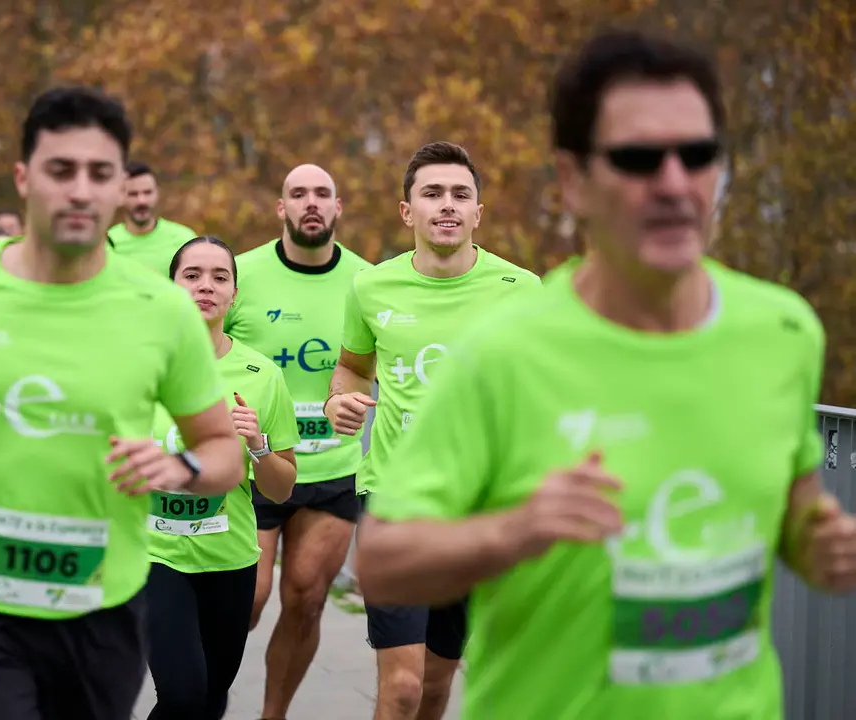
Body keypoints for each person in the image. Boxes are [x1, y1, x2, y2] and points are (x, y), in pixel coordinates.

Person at [358, 30, 856, 720]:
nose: (673, 183)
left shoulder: (782, 330)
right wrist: (516, 529)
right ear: (572, 182)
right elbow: (382, 562)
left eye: (697, 155)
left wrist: (822, 546)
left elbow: (798, 513)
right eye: (636, 159)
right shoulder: (505, 352)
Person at [0, 86, 246, 720]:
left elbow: (222, 452)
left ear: (122, 187)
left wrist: (180, 468)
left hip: (98, 608)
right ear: (23, 178)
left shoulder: (163, 312)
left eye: (100, 173)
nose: (79, 190)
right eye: (60, 170)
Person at [326, 141, 541, 720]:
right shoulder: (372, 288)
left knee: (439, 684)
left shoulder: (521, 292)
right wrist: (340, 402)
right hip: (395, 501)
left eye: (460, 194)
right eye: (432, 194)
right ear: (407, 211)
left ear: (478, 212)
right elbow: (351, 369)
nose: (447, 205)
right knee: (401, 688)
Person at [224, 163, 372, 720]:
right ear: (280, 208)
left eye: (323, 194)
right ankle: (199, 696)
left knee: (308, 600)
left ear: (339, 208)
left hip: (332, 468)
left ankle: (272, 715)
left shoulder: (366, 282)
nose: (311, 202)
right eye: (298, 193)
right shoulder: (241, 274)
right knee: (249, 600)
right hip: (256, 465)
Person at [145, 236, 300, 720]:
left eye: (219, 277)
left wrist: (258, 447)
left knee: (210, 699)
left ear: (234, 292)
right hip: (153, 556)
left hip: (229, 560)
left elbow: (281, 488)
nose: (205, 286)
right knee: (183, 694)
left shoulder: (261, 374)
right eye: (191, 275)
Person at [107, 161, 196, 276]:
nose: (141, 201)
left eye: (147, 192)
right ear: (120, 196)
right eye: (133, 194)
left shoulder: (184, 240)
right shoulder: (107, 244)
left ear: (157, 193)